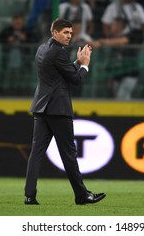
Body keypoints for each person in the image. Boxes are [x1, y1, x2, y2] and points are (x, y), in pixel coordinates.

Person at [24, 18, 106, 205]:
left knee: (36, 153)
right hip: (58, 109)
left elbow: (60, 76)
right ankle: (81, 195)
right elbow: (75, 80)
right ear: (55, 32)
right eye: (65, 32)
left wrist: (75, 62)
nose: (69, 36)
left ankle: (30, 195)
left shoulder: (43, 49)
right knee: (69, 153)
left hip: (41, 107)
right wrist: (84, 65)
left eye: (70, 33)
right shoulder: (58, 53)